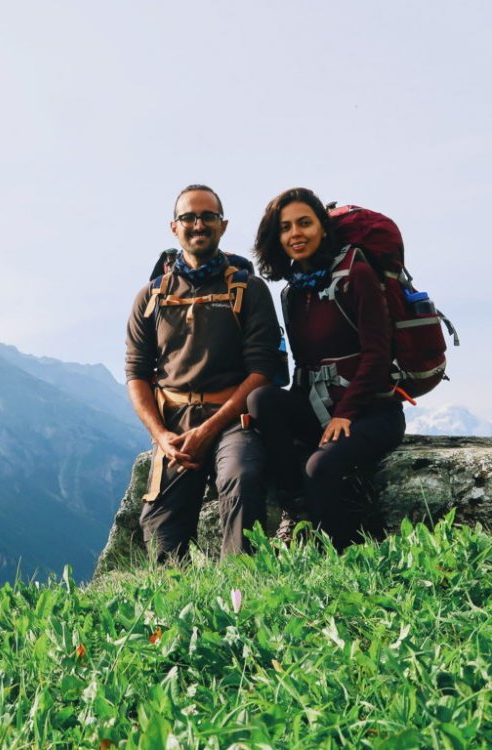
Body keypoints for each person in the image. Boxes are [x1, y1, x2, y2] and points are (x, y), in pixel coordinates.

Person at [125, 184, 282, 563]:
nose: (199, 224)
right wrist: (162, 436)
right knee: (161, 525)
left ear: (222, 225)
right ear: (174, 227)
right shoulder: (152, 296)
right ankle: (173, 606)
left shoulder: (249, 289)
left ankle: (243, 587)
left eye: (207, 216)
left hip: (233, 420)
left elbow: (263, 371)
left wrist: (207, 430)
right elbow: (137, 374)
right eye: (189, 217)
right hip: (175, 427)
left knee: (241, 479)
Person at [247, 187, 405, 551]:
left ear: (322, 227)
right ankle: (295, 506)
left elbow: (377, 354)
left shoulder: (356, 273)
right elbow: (305, 367)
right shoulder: (291, 293)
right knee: (261, 400)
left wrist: (345, 413)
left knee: (319, 468)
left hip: (373, 412)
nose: (295, 234)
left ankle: (342, 558)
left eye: (305, 223)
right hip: (321, 409)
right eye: (285, 227)